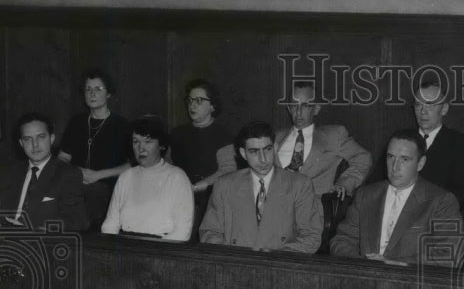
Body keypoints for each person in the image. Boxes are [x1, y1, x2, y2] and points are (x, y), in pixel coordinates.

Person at [330, 130, 461, 265]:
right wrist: (366, 263)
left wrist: (393, 264)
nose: (395, 167)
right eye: (391, 157)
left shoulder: (441, 201)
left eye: (404, 159)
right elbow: (341, 241)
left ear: (420, 163)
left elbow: (449, 255)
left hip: (411, 282)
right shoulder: (366, 195)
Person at [200, 121, 322, 253]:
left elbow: (311, 237)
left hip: (281, 266)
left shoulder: (299, 185)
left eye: (267, 149)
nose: (263, 159)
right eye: (254, 152)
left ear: (275, 147)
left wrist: (275, 257)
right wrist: (230, 254)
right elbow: (209, 232)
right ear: (243, 153)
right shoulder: (224, 185)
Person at [56, 68, 132, 228]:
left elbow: (132, 165)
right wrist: (76, 173)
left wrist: (98, 175)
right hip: (76, 183)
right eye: (88, 89)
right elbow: (62, 158)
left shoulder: (122, 126)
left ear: (109, 93)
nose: (92, 94)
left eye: (98, 89)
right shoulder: (76, 122)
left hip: (107, 188)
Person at [101, 115, 193, 241]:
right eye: (136, 141)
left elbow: (182, 232)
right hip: (125, 249)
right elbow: (110, 224)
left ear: (161, 145)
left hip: (162, 251)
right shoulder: (126, 177)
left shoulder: (177, 177)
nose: (140, 148)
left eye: (148, 141)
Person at [0, 112, 87, 232]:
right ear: (21, 143)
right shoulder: (9, 172)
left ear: (51, 139)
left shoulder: (68, 174)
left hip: (41, 244)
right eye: (27, 139)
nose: (34, 145)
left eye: (41, 137)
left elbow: (75, 221)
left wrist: (31, 229)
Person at [168, 80, 233, 237]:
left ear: (213, 106)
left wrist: (196, 187)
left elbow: (227, 171)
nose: (192, 105)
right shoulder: (176, 134)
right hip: (177, 192)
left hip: (209, 195)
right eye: (190, 101)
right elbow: (167, 164)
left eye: (199, 101)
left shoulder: (224, 136)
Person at [410, 79, 464, 220]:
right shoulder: (401, 140)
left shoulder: (459, 144)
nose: (423, 111)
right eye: (418, 105)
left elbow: (462, 194)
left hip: (435, 221)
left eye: (430, 105)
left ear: (444, 109)